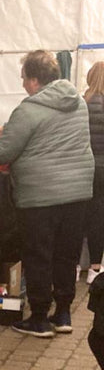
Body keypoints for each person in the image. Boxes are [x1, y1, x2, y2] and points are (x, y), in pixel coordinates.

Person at [0, 50, 94, 337]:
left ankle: (38, 318)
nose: (22, 84)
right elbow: (45, 128)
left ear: (34, 80)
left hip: (40, 196)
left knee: (39, 256)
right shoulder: (76, 103)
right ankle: (62, 313)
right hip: (78, 193)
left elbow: (3, 152)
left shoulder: (28, 108)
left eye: (23, 78)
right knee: (65, 256)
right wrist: (7, 128)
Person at [83, 61, 104, 284]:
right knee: (98, 217)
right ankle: (95, 268)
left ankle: (75, 264)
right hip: (103, 169)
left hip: (84, 167)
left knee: (79, 215)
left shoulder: (82, 103)